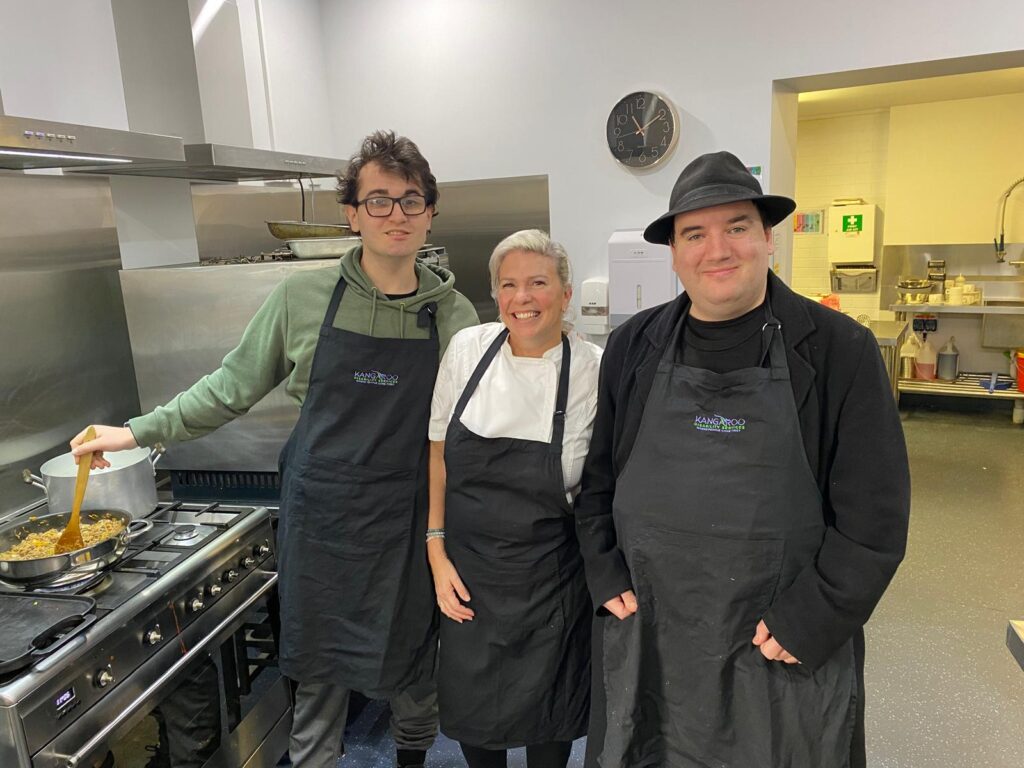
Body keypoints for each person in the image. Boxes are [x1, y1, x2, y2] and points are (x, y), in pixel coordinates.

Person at [70, 130, 480, 768]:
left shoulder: (454, 314)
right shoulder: (300, 299)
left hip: (408, 526)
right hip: (324, 525)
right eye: (378, 200)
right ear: (351, 213)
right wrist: (136, 430)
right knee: (318, 678)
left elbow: (468, 433)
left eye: (410, 200)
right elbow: (231, 388)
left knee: (414, 669)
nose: (395, 214)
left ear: (429, 211)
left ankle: (412, 758)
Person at [575, 151, 910, 768]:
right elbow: (597, 484)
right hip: (653, 636)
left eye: (736, 227)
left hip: (776, 646)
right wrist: (604, 572)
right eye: (694, 234)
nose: (716, 249)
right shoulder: (632, 347)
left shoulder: (840, 351)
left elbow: (875, 522)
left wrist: (812, 618)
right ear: (674, 254)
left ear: (767, 239)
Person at [426, 230, 600, 768]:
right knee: (478, 726)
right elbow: (438, 457)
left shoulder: (596, 368)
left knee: (550, 727)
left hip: (553, 582)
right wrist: (436, 552)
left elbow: (606, 486)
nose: (522, 298)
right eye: (509, 285)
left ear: (565, 295)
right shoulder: (467, 350)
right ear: (497, 295)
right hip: (469, 577)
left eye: (538, 283)